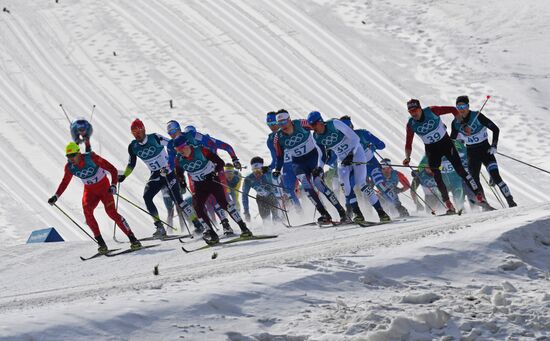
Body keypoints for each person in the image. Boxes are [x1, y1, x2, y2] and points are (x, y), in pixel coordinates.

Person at [118, 119, 206, 238]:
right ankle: (159, 227)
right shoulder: (133, 146)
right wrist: (124, 175)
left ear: (143, 129)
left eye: (138, 131)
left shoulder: (155, 138)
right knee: (147, 197)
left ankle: (198, 224)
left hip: (169, 172)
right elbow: (131, 164)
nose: (137, 135)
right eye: (134, 133)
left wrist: (180, 159)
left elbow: (172, 144)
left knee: (178, 200)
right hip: (156, 174)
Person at [48, 142, 141, 253]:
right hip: (90, 191)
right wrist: (56, 196)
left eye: (73, 155)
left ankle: (133, 239)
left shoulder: (91, 158)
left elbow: (112, 169)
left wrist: (113, 185)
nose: (71, 158)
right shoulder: (69, 167)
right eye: (68, 156)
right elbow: (65, 182)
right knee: (87, 211)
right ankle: (101, 244)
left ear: (79, 153)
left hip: (104, 188)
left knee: (111, 213)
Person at [403, 98, 492, 214]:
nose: (413, 114)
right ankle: (449, 205)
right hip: (431, 150)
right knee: (437, 177)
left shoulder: (432, 111)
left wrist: (463, 125)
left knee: (461, 171)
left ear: (420, 108)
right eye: (411, 112)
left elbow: (453, 110)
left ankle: (479, 197)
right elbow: (408, 143)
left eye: (415, 110)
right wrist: (408, 157)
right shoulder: (411, 124)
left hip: (446, 145)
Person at [307, 111, 391, 223]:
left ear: (321, 121)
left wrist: (351, 154)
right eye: (311, 126)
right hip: (342, 159)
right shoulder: (316, 136)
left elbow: (355, 139)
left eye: (314, 125)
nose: (313, 128)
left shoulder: (335, 124)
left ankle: (382, 213)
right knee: (345, 185)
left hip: (357, 153)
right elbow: (322, 155)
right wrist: (319, 168)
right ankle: (358, 214)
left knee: (361, 183)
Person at [173, 135, 252, 244]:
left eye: (182, 149)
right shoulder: (178, 159)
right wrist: (181, 180)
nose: (181, 152)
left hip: (212, 181)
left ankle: (244, 228)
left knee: (224, 204)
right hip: (199, 185)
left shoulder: (200, 150)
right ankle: (212, 234)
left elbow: (220, 163)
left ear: (187, 145)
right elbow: (179, 171)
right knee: (198, 208)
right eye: (178, 150)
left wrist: (214, 172)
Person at [273, 110, 347, 224]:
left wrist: (328, 148)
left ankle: (342, 212)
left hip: (313, 157)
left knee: (318, 183)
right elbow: (279, 155)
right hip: (298, 163)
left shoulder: (301, 124)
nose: (282, 126)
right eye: (279, 124)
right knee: (307, 186)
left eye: (284, 122)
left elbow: (319, 128)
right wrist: (277, 169)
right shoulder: (278, 137)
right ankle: (324, 214)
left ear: (289, 120)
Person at [450, 95, 517, 207]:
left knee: (496, 176)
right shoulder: (455, 123)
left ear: (468, 106)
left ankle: (510, 201)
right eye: (458, 107)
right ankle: (485, 204)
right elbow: (452, 140)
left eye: (463, 106)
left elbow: (495, 129)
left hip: (485, 151)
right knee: (474, 180)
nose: (461, 109)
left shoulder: (477, 116)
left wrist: (494, 145)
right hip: (472, 154)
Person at [339, 115, 409, 217]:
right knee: (348, 186)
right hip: (357, 168)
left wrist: (373, 146)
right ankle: (349, 212)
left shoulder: (362, 133)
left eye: (348, 129)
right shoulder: (342, 141)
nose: (346, 133)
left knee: (380, 184)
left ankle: (400, 208)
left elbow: (382, 145)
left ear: (352, 127)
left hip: (371, 165)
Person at [266, 111, 301, 209]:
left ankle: (324, 208)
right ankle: (301, 213)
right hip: (287, 167)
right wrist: (269, 168)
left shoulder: (292, 128)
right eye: (269, 124)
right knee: (289, 190)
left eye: (273, 123)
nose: (271, 126)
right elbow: (275, 159)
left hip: (300, 161)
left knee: (310, 185)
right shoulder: (270, 139)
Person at [242, 157, 281, 224]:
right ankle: (268, 229)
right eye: (254, 170)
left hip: (273, 196)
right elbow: (244, 195)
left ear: (262, 169)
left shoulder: (268, 173)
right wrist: (246, 211)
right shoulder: (248, 179)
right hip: (261, 199)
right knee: (266, 220)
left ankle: (277, 221)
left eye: (259, 170)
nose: (257, 173)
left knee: (275, 215)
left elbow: (278, 182)